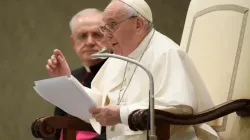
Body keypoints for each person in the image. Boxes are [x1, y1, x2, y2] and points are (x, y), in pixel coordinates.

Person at [47, 0, 219, 139]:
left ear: (138, 24)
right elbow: (99, 104)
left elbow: (179, 108)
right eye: (104, 27)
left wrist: (122, 114)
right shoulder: (120, 55)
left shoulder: (166, 53)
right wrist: (67, 80)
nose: (107, 35)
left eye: (112, 25)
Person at [45, 8, 111, 140]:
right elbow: (58, 125)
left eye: (97, 34)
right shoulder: (72, 75)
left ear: (110, 37)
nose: (90, 42)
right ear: (73, 42)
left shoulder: (123, 72)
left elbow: (119, 130)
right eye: (82, 36)